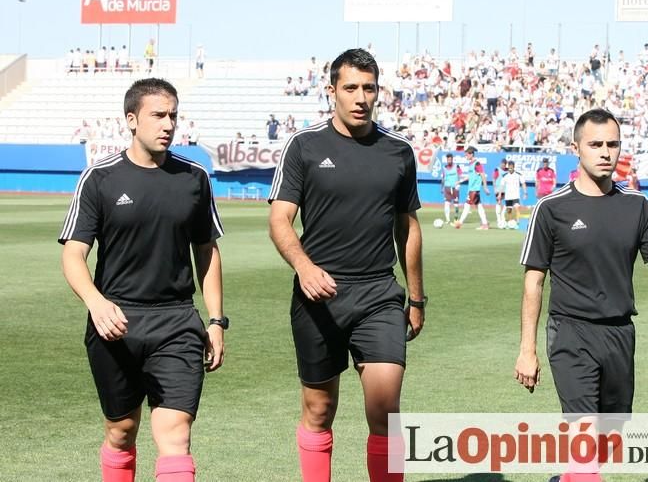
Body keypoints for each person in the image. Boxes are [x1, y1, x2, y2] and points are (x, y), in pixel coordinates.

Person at [514, 109, 648, 482]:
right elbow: (534, 282)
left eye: (612, 144)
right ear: (576, 149)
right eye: (595, 144)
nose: (605, 152)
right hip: (571, 334)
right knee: (584, 446)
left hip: (619, 334)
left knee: (608, 439)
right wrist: (527, 349)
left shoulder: (637, 206)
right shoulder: (551, 209)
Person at [268, 48, 425, 482]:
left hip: (379, 295)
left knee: (385, 411)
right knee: (319, 410)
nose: (360, 97)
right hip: (318, 297)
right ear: (332, 91)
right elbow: (279, 219)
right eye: (351, 87)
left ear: (379, 93)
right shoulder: (304, 146)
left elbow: (408, 229)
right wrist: (303, 267)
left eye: (369, 88)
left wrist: (416, 297)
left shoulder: (398, 152)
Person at [59, 78, 227, 482]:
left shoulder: (194, 178)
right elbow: (73, 253)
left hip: (177, 323)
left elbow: (207, 251)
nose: (168, 124)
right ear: (131, 120)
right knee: (121, 432)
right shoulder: (99, 178)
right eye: (158, 115)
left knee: (175, 434)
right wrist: (97, 304)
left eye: (173, 115)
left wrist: (217, 320)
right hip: (115, 321)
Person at [454, 146, 491, 230]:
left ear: (471, 154)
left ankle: (460, 223)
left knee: (467, 205)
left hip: (474, 189)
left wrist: (485, 186)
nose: (465, 156)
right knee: (479, 206)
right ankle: (485, 224)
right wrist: (460, 181)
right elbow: (470, 176)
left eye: (466, 155)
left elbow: (482, 174)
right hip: (472, 189)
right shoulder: (471, 164)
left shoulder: (477, 163)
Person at [501, 160, 527, 229]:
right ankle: (510, 223)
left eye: (511, 168)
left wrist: (525, 192)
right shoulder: (505, 175)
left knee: (517, 208)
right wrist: (500, 194)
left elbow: (523, 183)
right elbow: (502, 185)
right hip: (508, 196)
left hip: (516, 195)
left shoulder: (518, 175)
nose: (510, 169)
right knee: (509, 210)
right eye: (509, 168)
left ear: (514, 167)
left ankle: (518, 223)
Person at [441, 152, 461, 225]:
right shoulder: (444, 168)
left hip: (455, 187)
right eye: (448, 159)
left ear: (452, 159)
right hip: (447, 187)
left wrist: (459, 183)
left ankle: (456, 219)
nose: (449, 160)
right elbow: (443, 178)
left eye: (450, 159)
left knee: (456, 204)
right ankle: (448, 219)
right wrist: (442, 187)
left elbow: (460, 175)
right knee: (447, 204)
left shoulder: (456, 167)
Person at [493, 159, 509, 228]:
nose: (503, 165)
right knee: (498, 203)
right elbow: (494, 179)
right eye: (502, 163)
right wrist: (495, 188)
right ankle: (499, 219)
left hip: (506, 189)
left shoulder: (508, 170)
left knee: (507, 203)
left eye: (504, 164)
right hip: (498, 189)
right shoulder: (497, 170)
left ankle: (503, 216)